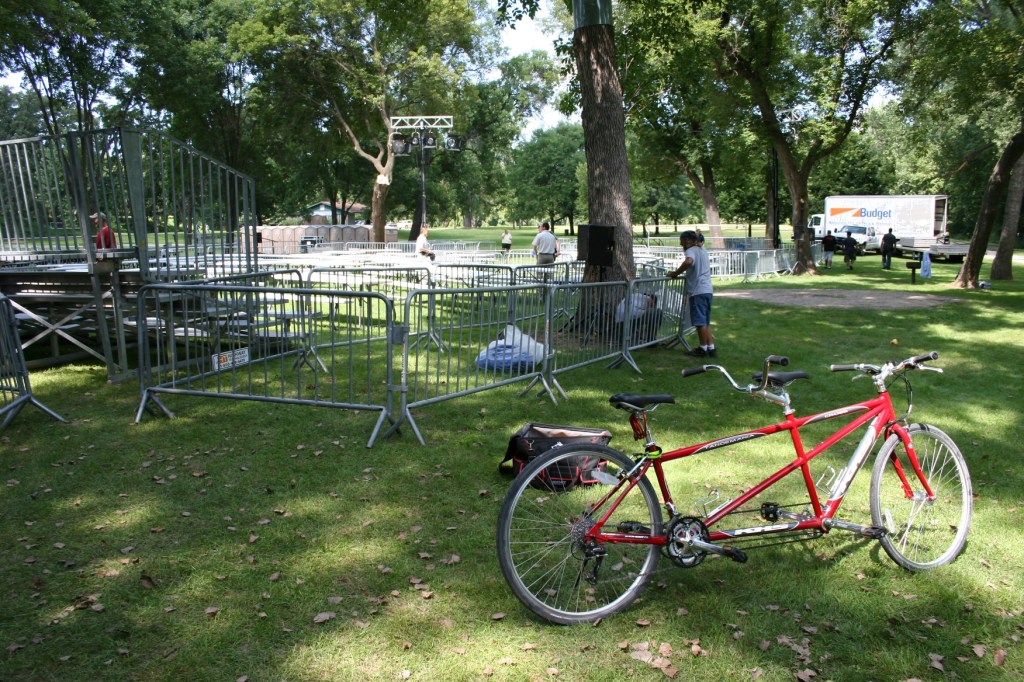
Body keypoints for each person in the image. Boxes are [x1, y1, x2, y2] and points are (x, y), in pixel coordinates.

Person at [668, 230, 715, 358]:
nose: (680, 243)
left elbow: (689, 261)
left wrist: (675, 273)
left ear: (687, 240)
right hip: (707, 290)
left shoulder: (691, 250)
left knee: (700, 323)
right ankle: (711, 348)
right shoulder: (702, 249)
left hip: (697, 290)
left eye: (681, 240)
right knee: (705, 321)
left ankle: (702, 349)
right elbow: (700, 240)